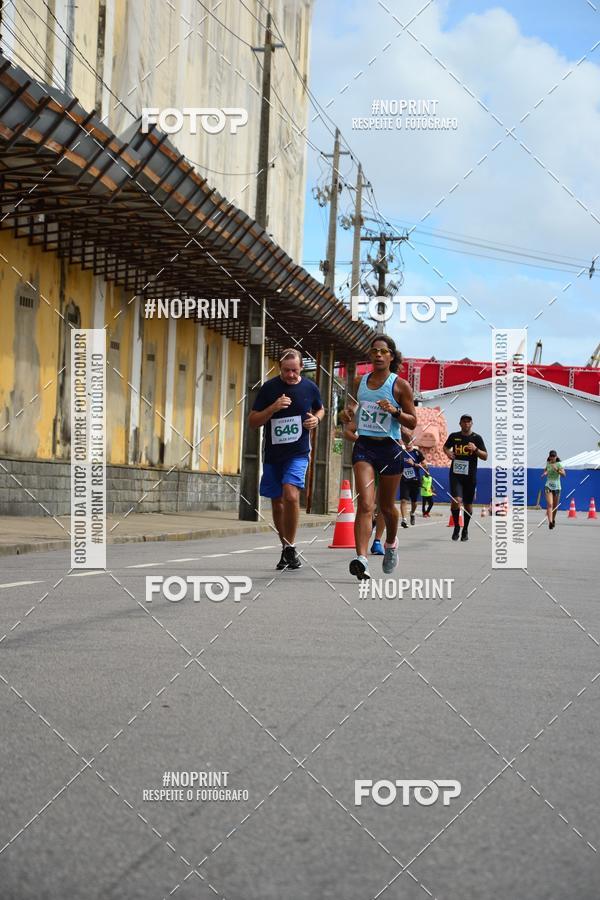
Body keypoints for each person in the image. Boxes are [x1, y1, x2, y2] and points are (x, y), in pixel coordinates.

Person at [341, 335, 417, 580]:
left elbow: (412, 421)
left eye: (383, 351)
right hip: (364, 446)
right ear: (370, 355)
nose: (378, 355)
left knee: (386, 507)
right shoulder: (358, 381)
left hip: (390, 448)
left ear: (391, 356)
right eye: (374, 351)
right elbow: (353, 409)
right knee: (365, 504)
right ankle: (361, 559)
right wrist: (347, 414)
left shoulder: (400, 386)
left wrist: (395, 411)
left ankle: (391, 543)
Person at [249, 349, 324, 569]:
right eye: (286, 370)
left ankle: (290, 546)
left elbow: (320, 409)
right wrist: (273, 408)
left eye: (294, 370)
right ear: (279, 368)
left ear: (302, 367)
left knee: (291, 494)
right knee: (278, 502)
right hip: (273, 455)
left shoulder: (310, 387)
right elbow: (253, 421)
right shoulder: (269, 388)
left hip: (299, 453)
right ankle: (286, 549)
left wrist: (316, 420)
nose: (290, 375)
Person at [443, 414, 488, 542]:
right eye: (464, 422)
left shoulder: (477, 438)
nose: (466, 424)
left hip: (470, 475)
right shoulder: (454, 436)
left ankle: (465, 529)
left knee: (468, 505)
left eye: (468, 422)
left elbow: (485, 456)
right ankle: (457, 526)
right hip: (456, 475)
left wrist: (476, 449)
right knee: (456, 500)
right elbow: (445, 447)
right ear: (460, 424)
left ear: (472, 424)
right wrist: (448, 452)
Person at [343, 419, 385, 554]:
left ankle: (378, 541)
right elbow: (348, 431)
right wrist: (362, 442)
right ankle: (361, 555)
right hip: (366, 458)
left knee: (383, 504)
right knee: (367, 504)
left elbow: (408, 429)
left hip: (388, 458)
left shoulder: (394, 408)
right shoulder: (364, 406)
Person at [399, 431, 425, 527]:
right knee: (403, 500)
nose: (408, 444)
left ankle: (412, 513)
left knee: (414, 502)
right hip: (404, 480)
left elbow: (425, 466)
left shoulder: (417, 453)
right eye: (406, 443)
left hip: (415, 480)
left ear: (413, 442)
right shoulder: (401, 453)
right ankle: (404, 519)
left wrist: (414, 464)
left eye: (409, 442)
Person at [542, 450, 565, 529]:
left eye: (553, 456)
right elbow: (546, 470)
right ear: (549, 456)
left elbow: (564, 475)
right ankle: (550, 522)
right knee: (550, 504)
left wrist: (557, 470)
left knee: (555, 507)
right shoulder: (548, 463)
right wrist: (545, 473)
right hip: (548, 486)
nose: (552, 458)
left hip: (557, 487)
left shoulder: (558, 464)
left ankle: (553, 520)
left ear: (556, 456)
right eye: (551, 456)